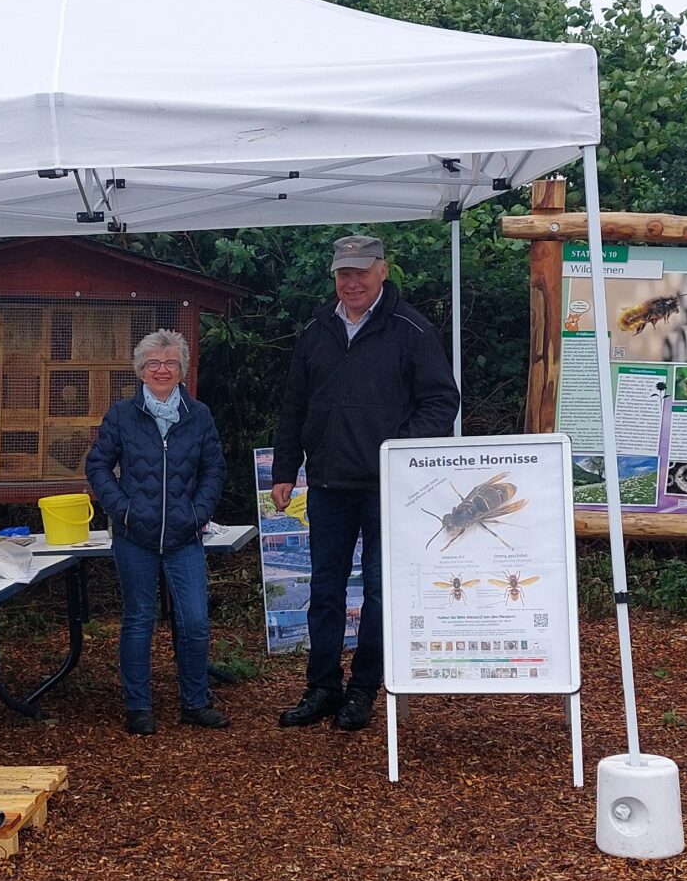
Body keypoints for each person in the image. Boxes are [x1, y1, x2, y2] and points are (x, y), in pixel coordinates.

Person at [269, 234, 461, 731]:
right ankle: (322, 687)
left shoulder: (410, 329)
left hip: (387, 488)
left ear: (382, 271)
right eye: (343, 274)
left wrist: (397, 451)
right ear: (334, 277)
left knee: (378, 592)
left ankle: (363, 688)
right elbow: (293, 405)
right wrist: (285, 470)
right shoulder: (317, 330)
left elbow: (442, 401)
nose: (351, 282)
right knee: (326, 587)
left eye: (361, 272)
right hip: (328, 485)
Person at [84, 328, 227, 736]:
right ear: (140, 371)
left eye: (170, 363)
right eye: (153, 363)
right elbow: (97, 465)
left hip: (184, 536)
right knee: (139, 619)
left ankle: (196, 703)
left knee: (196, 621)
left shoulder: (198, 415)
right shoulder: (121, 415)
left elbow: (213, 468)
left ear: (182, 370)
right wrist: (123, 509)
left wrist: (198, 511)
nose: (162, 370)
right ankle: (138, 706)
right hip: (135, 536)